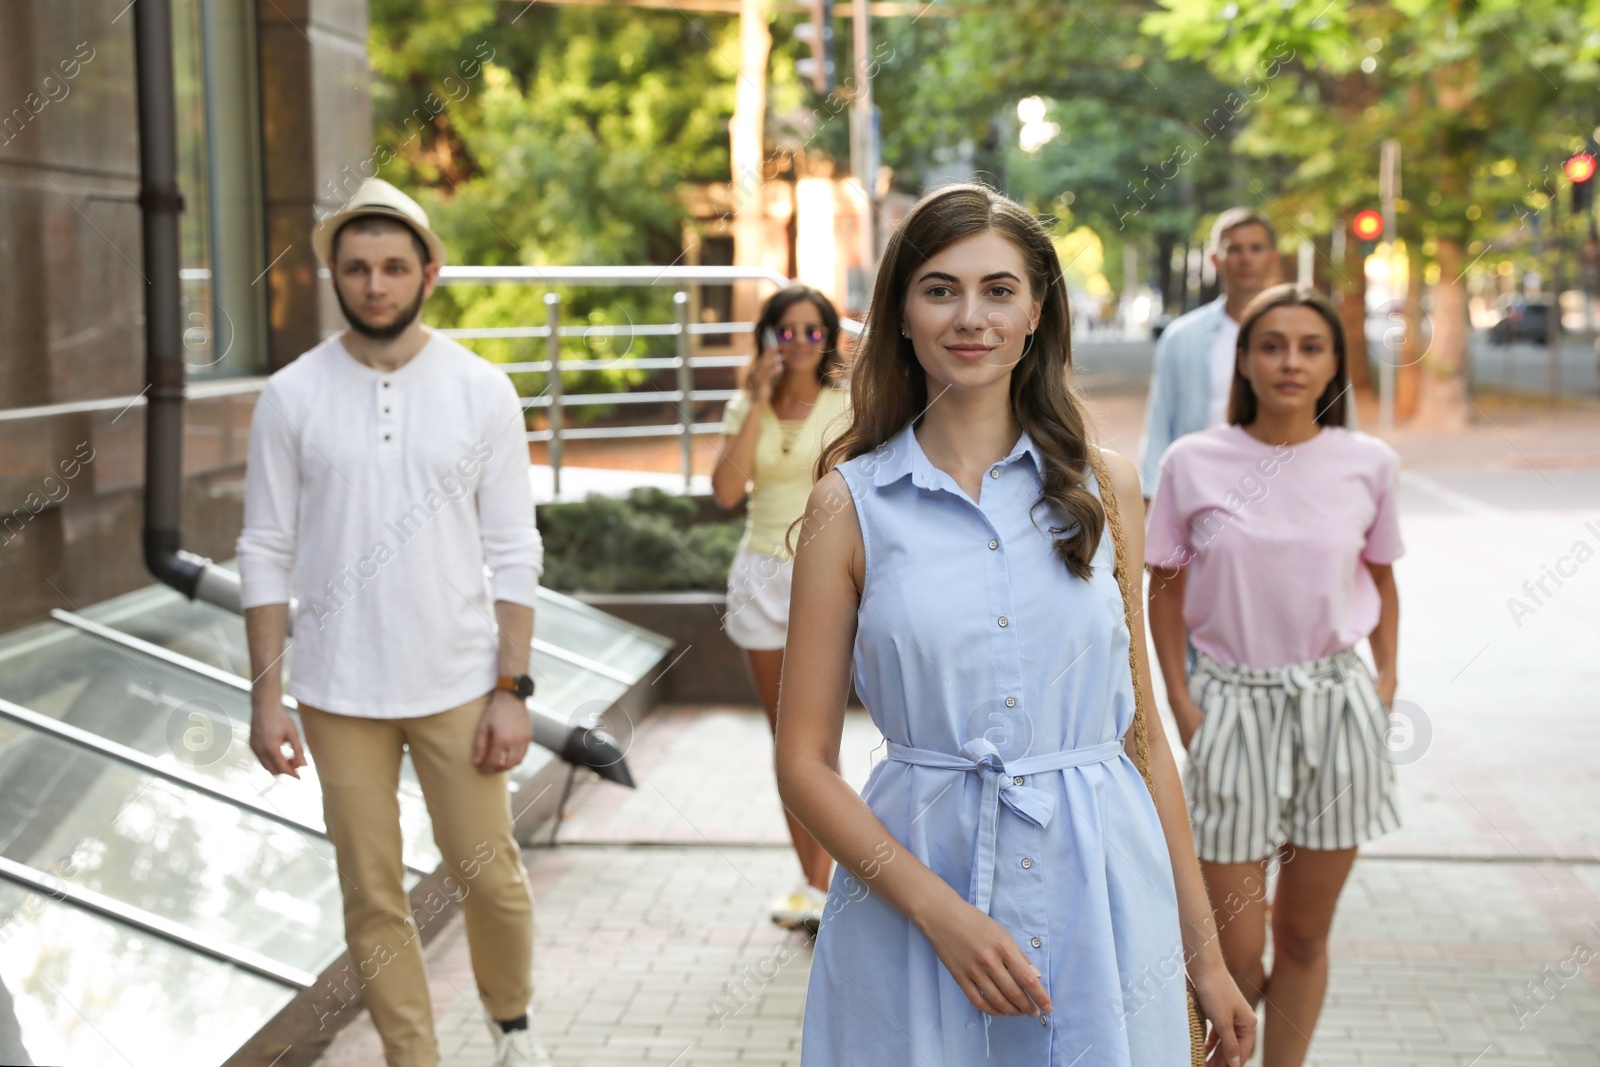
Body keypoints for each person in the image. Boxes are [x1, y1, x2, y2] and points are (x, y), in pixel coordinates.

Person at [774, 183, 1255, 1066]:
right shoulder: (849, 506)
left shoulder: (1108, 487)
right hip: (911, 894)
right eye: (940, 287)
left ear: (1038, 310)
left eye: (999, 289)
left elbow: (1142, 739)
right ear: (902, 313)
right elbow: (804, 764)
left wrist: (1207, 957)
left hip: (1104, 890)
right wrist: (939, 911)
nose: (971, 316)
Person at [237, 178, 552, 1067]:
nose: (375, 284)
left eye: (393, 267)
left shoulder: (482, 390)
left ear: (429, 272)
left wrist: (511, 687)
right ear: (332, 276)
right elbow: (263, 548)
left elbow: (514, 548)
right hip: (338, 692)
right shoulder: (291, 395)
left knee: (491, 876)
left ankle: (512, 1023)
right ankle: (412, 1057)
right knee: (372, 897)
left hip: (459, 680)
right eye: (357, 268)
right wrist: (266, 698)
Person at [1144, 284, 1403, 1067]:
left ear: (1333, 364)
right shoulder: (1193, 461)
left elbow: (1382, 579)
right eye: (1273, 345)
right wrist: (1183, 702)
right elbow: (1162, 585)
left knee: (1304, 935)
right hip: (1230, 709)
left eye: (1311, 346)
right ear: (1246, 361)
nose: (1292, 360)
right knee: (1234, 953)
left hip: (1337, 708)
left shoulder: (1369, 462)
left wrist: (1384, 684)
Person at [711, 285, 851, 933]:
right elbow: (725, 490)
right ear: (768, 337)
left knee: (821, 738)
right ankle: (812, 883)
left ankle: (837, 877)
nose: (799, 342)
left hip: (823, 577)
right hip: (760, 576)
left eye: (812, 330)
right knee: (786, 739)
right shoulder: (747, 405)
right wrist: (758, 401)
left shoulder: (847, 404)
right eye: (786, 331)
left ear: (829, 337)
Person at [1139, 208, 1281, 500]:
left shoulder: (1300, 336)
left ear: (1273, 258)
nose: (1246, 258)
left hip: (1280, 489)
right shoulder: (1181, 338)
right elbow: (1160, 420)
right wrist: (1149, 495)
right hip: (1202, 492)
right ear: (1216, 259)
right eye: (1235, 249)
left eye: (1256, 248)